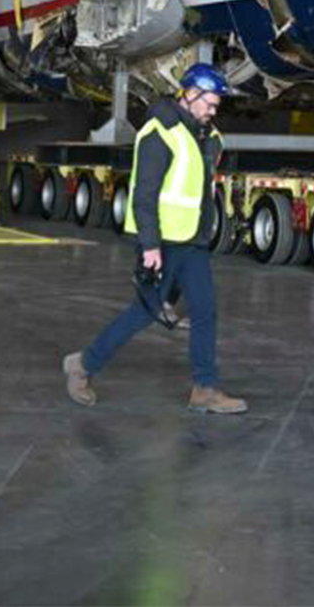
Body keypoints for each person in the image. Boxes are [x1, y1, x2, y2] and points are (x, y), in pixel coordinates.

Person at [63, 64, 246, 414]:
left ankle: (204, 388)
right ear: (190, 95)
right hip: (162, 243)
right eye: (209, 102)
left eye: (216, 105)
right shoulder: (160, 131)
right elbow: (144, 195)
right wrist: (150, 247)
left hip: (193, 241)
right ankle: (83, 366)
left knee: (205, 310)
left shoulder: (208, 137)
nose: (213, 110)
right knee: (143, 314)